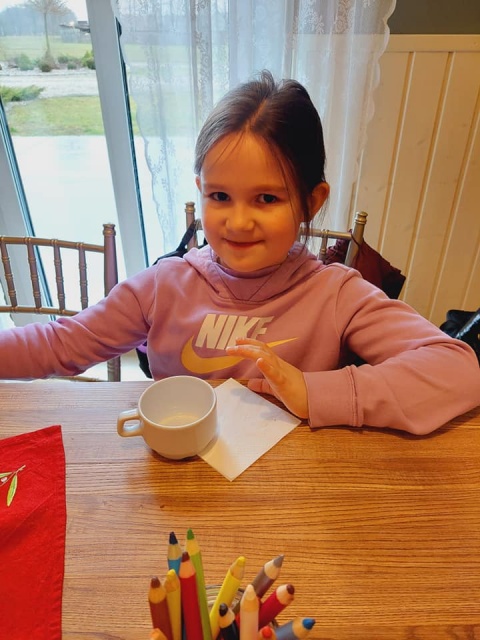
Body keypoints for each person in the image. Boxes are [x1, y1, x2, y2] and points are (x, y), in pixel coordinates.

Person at [0, 70, 479, 435]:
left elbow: (458, 369)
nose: (238, 222)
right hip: (178, 485)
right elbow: (60, 345)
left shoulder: (337, 294)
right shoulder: (162, 285)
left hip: (288, 490)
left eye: (267, 198)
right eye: (220, 196)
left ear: (311, 202)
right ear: (200, 190)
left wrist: (313, 392)